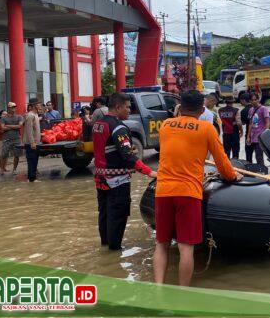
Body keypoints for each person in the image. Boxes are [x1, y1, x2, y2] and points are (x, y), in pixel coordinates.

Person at [153, 90, 240, 286]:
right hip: (188, 192)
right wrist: (233, 176)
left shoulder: (165, 126)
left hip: (163, 191)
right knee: (186, 248)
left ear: (179, 107)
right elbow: (222, 162)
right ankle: (183, 293)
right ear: (202, 109)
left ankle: (158, 289)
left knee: (161, 244)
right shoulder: (206, 128)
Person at [93, 93, 157, 251]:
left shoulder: (98, 124)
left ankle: (105, 246)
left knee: (105, 213)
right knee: (118, 215)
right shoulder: (119, 127)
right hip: (117, 180)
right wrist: (149, 172)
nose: (129, 110)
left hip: (100, 179)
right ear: (118, 107)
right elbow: (128, 155)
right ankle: (115, 251)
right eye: (128, 107)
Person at [247, 93, 270, 166]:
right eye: (252, 100)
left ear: (258, 99)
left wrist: (266, 134)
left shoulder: (263, 109)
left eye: (255, 99)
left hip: (260, 137)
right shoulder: (251, 110)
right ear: (250, 101)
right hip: (253, 136)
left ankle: (262, 172)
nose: (254, 101)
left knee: (259, 156)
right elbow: (250, 124)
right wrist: (248, 136)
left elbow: (267, 122)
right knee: (253, 155)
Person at [1, 102, 24, 174]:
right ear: (8, 108)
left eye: (14, 106)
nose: (14, 108)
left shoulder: (19, 117)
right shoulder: (4, 118)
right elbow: (2, 128)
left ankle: (14, 169)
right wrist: (14, 126)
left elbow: (19, 126)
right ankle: (2, 169)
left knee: (16, 155)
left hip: (16, 138)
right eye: (12, 107)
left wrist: (8, 126)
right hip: (6, 139)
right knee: (4, 155)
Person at [22, 98, 42, 183]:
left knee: (34, 161)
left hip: (36, 143)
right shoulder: (30, 115)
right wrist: (32, 142)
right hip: (31, 143)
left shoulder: (36, 115)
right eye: (38, 104)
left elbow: (35, 129)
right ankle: (31, 179)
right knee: (32, 161)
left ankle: (31, 178)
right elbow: (29, 130)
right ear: (34, 106)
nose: (40, 106)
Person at [239, 93, 254, 162]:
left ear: (244, 100)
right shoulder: (255, 108)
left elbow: (243, 123)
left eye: (241, 100)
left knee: (249, 153)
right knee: (259, 154)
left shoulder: (243, 111)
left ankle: (249, 168)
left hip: (249, 134)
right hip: (258, 134)